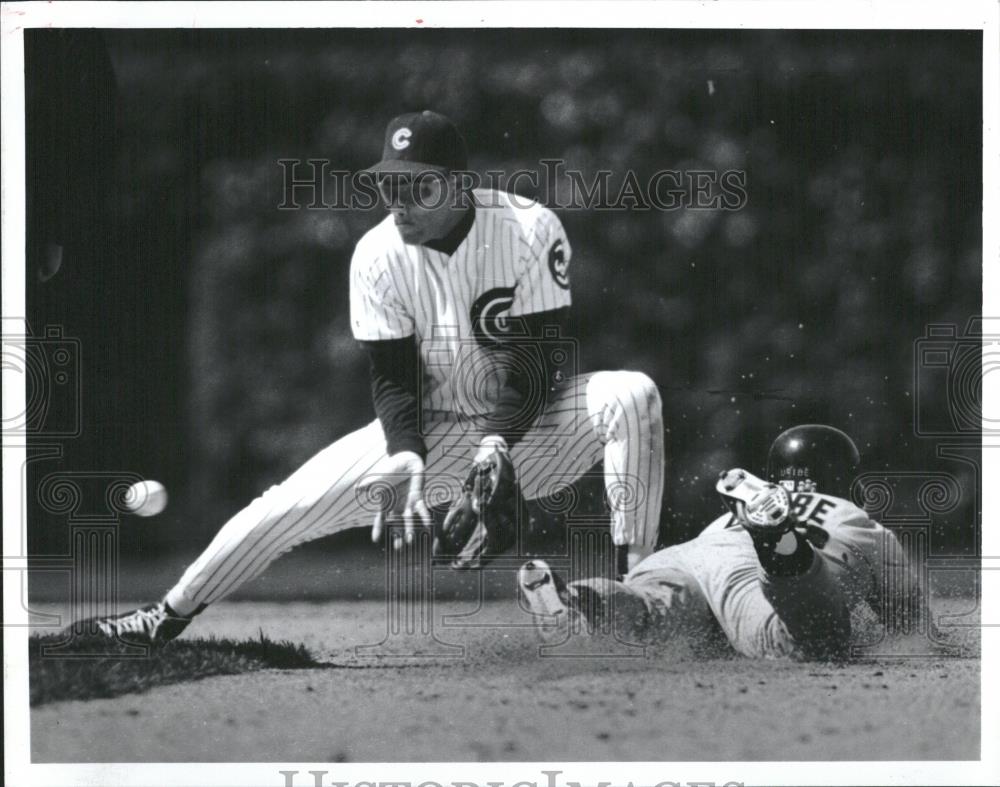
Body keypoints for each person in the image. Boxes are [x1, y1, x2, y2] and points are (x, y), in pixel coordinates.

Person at [74, 110, 665, 645]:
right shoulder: (377, 254)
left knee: (633, 396)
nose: (400, 202)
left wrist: (496, 444)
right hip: (432, 440)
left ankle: (640, 597)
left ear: (460, 185)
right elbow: (393, 379)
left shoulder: (528, 228)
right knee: (283, 508)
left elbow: (541, 362)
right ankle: (164, 616)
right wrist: (406, 451)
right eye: (390, 186)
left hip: (532, 431)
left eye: (420, 186)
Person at [519, 424, 923, 661]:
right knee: (810, 641)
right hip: (755, 569)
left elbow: (716, 576)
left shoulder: (729, 515)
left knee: (648, 606)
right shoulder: (860, 523)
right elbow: (908, 623)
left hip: (693, 553)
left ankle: (581, 599)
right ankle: (782, 547)